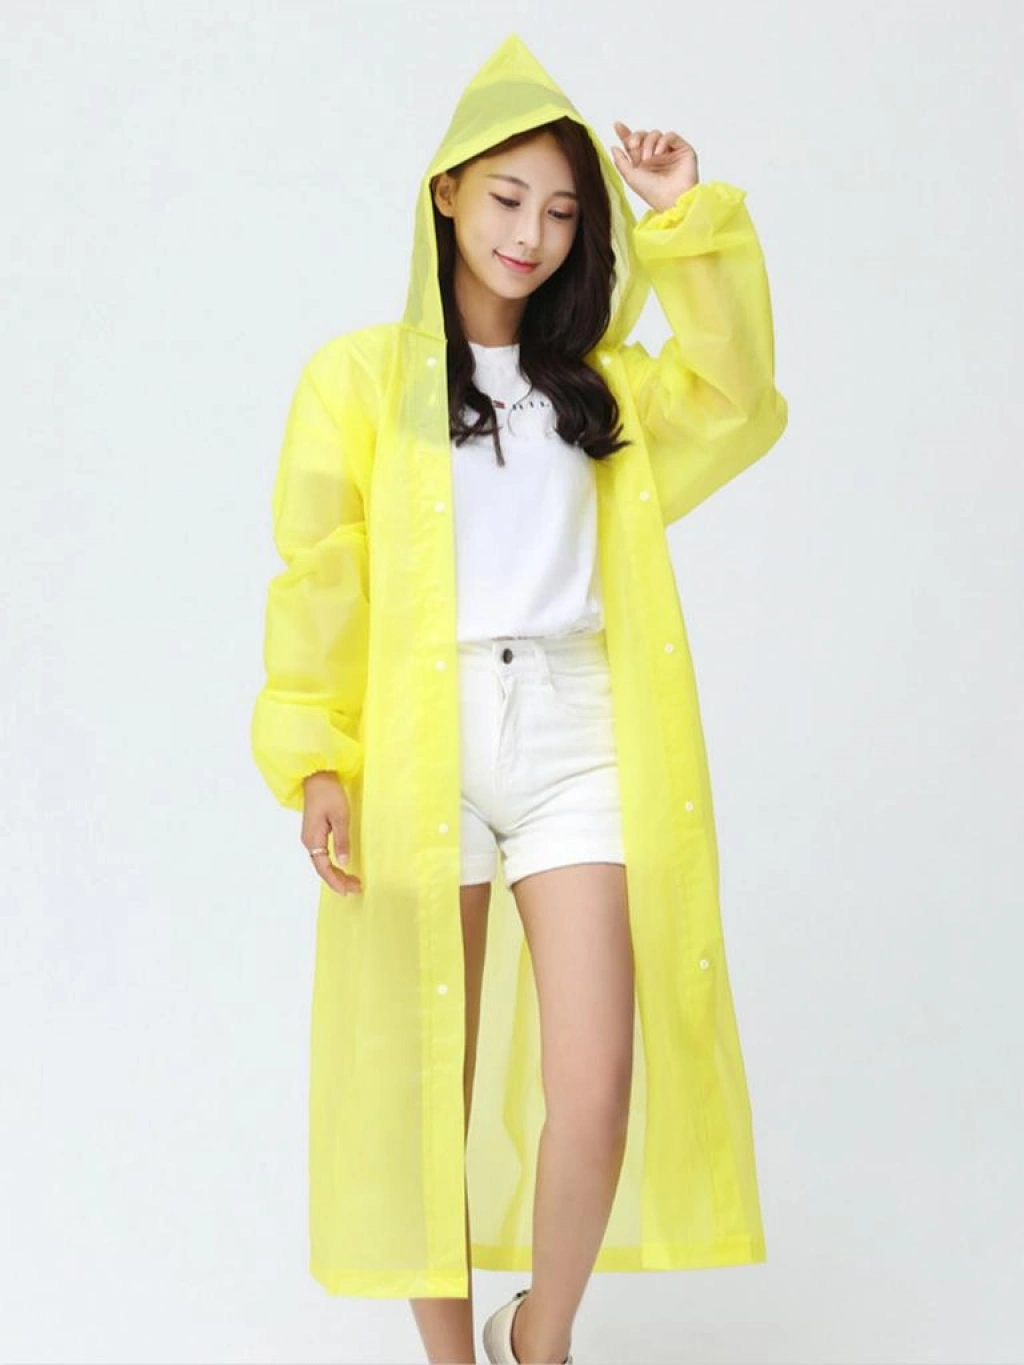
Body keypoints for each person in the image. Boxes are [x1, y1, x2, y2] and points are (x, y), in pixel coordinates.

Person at [251, 32, 788, 1365]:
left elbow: (739, 400)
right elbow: (320, 580)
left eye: (559, 212)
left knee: (595, 1085)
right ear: (445, 192)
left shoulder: (606, 387)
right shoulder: (356, 382)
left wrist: (684, 224)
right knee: (423, 1082)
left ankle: (538, 1340)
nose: (531, 235)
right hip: (418, 740)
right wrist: (318, 757)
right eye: (506, 199)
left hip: (576, 732)